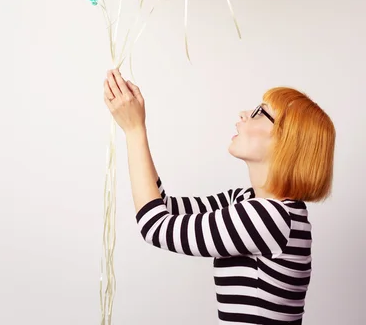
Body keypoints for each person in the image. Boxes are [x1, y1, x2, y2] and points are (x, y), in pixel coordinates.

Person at [103, 69, 335, 325]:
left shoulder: (270, 217)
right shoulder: (248, 201)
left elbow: (155, 227)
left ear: (288, 143)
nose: (244, 114)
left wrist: (135, 130)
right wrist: (134, 125)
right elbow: (163, 207)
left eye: (260, 112)